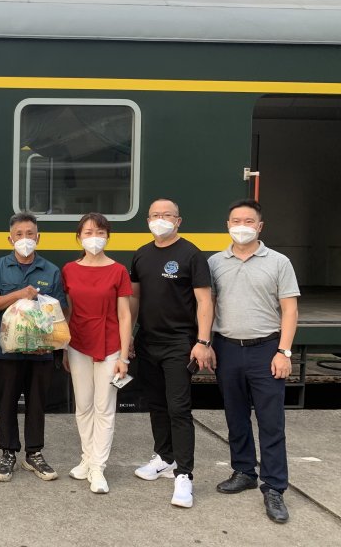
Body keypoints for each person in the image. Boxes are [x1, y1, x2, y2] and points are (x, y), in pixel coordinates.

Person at [209, 199, 299, 523]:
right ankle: (244, 471)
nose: (242, 226)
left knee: (271, 421)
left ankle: (274, 487)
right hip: (227, 348)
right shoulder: (215, 262)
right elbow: (209, 305)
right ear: (227, 225)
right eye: (236, 220)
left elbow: (290, 309)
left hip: (266, 349)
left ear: (260, 226)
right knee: (235, 415)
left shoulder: (279, 262)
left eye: (249, 221)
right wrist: (207, 344)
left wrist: (284, 352)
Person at [129, 198, 214, 509]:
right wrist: (129, 336)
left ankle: (184, 475)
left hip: (180, 343)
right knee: (156, 404)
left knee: (178, 408)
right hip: (147, 342)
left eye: (167, 215)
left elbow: (205, 301)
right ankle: (164, 458)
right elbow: (134, 299)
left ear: (178, 221)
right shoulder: (141, 254)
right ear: (148, 220)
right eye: (155, 215)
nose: (160, 219)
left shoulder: (191, 254)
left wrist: (202, 341)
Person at [0, 212, 67, 483]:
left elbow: (59, 311)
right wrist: (19, 295)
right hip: (7, 351)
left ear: (38, 237)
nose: (25, 239)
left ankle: (34, 453)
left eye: (30, 234)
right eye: (19, 234)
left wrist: (52, 345)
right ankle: (8, 452)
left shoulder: (51, 270)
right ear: (10, 239)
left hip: (41, 352)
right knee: (6, 402)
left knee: (37, 403)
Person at [61, 213, 132, 494]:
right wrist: (65, 349)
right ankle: (87, 458)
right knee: (83, 406)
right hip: (78, 344)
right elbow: (67, 312)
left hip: (110, 344)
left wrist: (124, 357)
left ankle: (98, 467)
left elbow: (125, 315)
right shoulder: (68, 270)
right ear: (79, 237)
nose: (94, 237)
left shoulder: (118, 270)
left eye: (100, 232)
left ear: (108, 236)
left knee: (104, 407)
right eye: (88, 232)